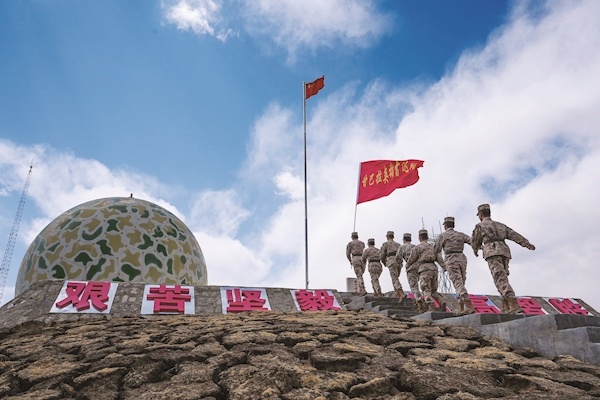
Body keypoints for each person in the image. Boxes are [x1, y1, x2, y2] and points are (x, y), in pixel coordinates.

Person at [471, 204, 536, 314]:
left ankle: (513, 303)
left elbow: (475, 241)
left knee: (500, 278)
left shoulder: (480, 226)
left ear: (481, 215)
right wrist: (526, 244)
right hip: (504, 251)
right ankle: (505, 306)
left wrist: (475, 250)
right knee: (502, 278)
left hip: (492, 252)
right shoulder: (500, 225)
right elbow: (514, 235)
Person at [433, 216, 476, 315]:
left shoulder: (443, 236)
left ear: (445, 226)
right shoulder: (460, 235)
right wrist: (480, 248)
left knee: (458, 284)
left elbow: (436, 250)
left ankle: (469, 305)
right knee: (461, 283)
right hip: (462, 259)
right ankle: (461, 308)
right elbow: (472, 241)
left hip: (451, 259)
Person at [405, 229, 447, 312]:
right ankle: (441, 301)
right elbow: (439, 258)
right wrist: (444, 267)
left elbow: (411, 259)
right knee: (433, 290)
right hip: (434, 268)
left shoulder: (418, 248)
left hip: (424, 269)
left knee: (425, 289)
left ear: (420, 238)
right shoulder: (433, 247)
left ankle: (431, 306)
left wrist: (407, 266)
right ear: (427, 237)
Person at [395, 233, 422, 311]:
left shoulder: (402, 247)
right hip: (419, 267)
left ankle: (419, 300)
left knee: (414, 286)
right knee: (418, 284)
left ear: (404, 240)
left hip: (411, 267)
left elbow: (398, 259)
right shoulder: (415, 246)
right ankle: (419, 300)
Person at [380, 231, 405, 300]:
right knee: (396, 277)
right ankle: (397, 294)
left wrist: (384, 263)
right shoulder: (398, 245)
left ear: (387, 237)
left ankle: (401, 292)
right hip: (399, 262)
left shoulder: (385, 244)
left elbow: (382, 255)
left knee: (394, 278)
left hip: (391, 261)